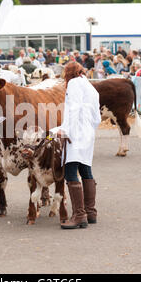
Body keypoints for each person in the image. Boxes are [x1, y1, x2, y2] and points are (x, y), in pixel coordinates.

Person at [53, 62, 101, 229]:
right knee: (86, 169)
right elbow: (97, 117)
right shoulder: (90, 87)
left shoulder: (73, 83)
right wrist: (90, 131)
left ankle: (79, 215)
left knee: (71, 170)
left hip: (75, 132)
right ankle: (90, 212)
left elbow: (73, 109)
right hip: (88, 132)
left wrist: (65, 130)